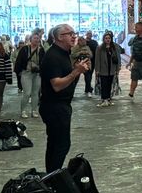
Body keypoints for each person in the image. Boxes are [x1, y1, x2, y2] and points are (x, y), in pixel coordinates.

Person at [39, 25, 89, 173]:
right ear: (60, 37)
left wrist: (78, 71)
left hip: (60, 106)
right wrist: (76, 72)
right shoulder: (53, 56)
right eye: (70, 34)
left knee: (55, 144)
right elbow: (57, 85)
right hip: (54, 107)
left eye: (74, 33)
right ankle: (53, 177)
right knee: (61, 145)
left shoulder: (64, 53)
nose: (74, 36)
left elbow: (68, 82)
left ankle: (52, 176)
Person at [14, 30, 45, 118]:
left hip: (37, 74)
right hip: (26, 73)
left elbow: (44, 62)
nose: (36, 40)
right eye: (34, 38)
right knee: (27, 93)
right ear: (30, 39)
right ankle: (23, 110)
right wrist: (19, 72)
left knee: (35, 93)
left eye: (38, 38)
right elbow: (19, 61)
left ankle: (34, 110)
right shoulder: (25, 49)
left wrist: (42, 71)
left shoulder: (41, 50)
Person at [94, 31, 123, 106]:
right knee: (104, 85)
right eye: (106, 38)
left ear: (111, 39)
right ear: (103, 39)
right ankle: (104, 99)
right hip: (103, 69)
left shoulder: (115, 47)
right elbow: (97, 60)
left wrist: (118, 67)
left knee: (110, 84)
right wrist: (97, 70)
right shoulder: (100, 48)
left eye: (109, 38)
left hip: (112, 69)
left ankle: (109, 99)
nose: (107, 40)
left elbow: (118, 58)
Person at [82, 32, 99, 97]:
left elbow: (97, 51)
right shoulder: (83, 42)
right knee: (87, 74)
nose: (89, 35)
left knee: (89, 75)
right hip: (85, 61)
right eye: (88, 34)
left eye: (90, 34)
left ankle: (87, 88)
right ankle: (89, 89)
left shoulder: (94, 42)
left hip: (93, 60)